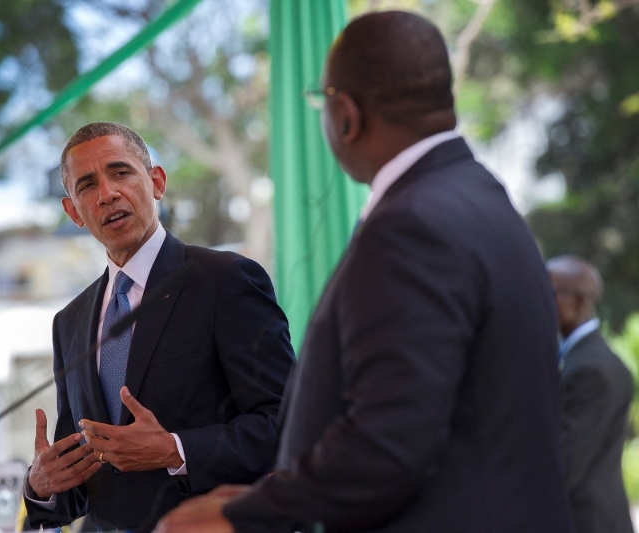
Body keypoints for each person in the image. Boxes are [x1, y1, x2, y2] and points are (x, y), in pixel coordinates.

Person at [156, 11, 572, 533]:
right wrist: (277, 487)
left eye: (321, 103)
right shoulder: (483, 198)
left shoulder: (410, 226)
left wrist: (248, 514)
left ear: (345, 115)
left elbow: (391, 440)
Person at [23, 122, 295, 533]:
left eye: (121, 172)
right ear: (74, 211)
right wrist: (42, 486)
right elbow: (84, 478)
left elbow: (287, 424)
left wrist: (175, 449)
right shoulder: (70, 323)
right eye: (87, 185)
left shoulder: (225, 280)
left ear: (156, 182)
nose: (108, 193)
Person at [547, 255, 634, 533]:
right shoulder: (583, 358)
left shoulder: (592, 368)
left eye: (549, 293)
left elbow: (565, 463)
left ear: (579, 301)